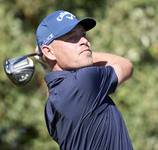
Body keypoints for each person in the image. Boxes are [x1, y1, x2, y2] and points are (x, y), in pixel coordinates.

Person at [35, 10, 134, 150]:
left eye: (83, 35)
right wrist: (87, 54)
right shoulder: (84, 81)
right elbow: (126, 66)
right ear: (49, 52)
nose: (84, 41)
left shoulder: (50, 105)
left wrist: (48, 60)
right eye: (71, 37)